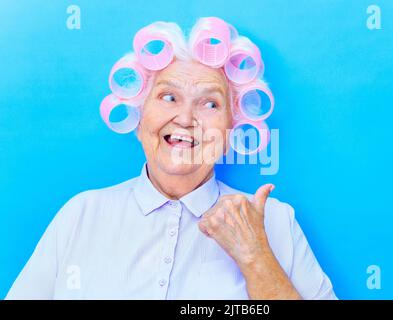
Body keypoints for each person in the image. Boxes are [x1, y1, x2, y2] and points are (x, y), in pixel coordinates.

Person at [6, 17, 336, 300]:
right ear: (139, 117)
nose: (185, 118)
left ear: (231, 132)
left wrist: (255, 258)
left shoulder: (275, 223)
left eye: (210, 104)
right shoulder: (81, 215)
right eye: (169, 97)